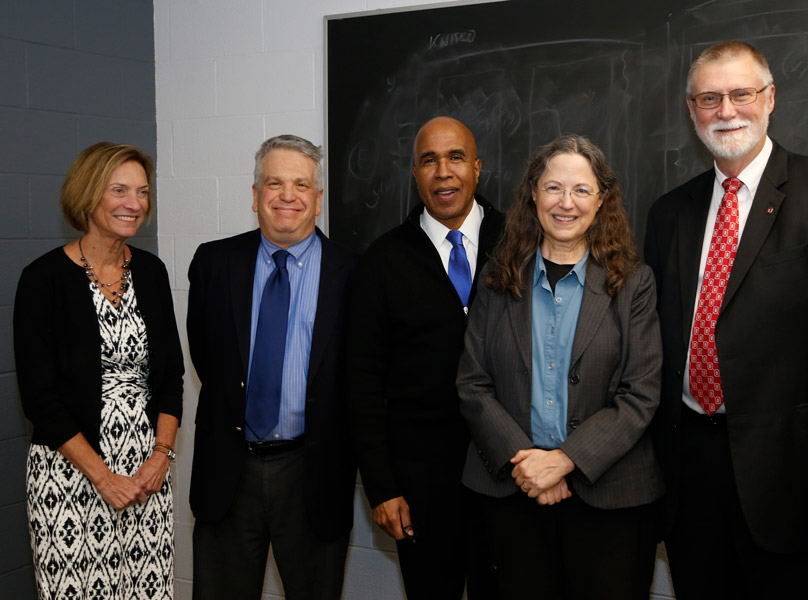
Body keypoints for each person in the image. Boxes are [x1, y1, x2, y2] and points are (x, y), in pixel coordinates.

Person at [644, 40, 808, 599]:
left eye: (740, 94)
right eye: (710, 98)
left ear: (770, 98)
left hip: (792, 484)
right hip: (689, 479)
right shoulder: (668, 213)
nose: (726, 111)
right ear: (691, 109)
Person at [457, 134, 663, 599]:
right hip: (513, 493)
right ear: (533, 193)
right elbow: (472, 383)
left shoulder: (634, 284)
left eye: (581, 190)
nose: (565, 203)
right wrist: (530, 464)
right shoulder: (496, 279)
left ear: (601, 199)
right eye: (553, 188)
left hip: (609, 500)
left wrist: (565, 461)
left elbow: (641, 392)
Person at [186, 134, 357, 599]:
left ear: (318, 200)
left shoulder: (355, 273)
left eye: (300, 185)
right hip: (229, 471)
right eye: (273, 183)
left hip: (313, 471)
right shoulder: (213, 263)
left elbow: (358, 378)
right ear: (255, 196)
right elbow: (207, 354)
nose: (287, 196)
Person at [14, 142, 183, 599]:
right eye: (120, 190)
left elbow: (171, 377)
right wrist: (103, 477)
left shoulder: (151, 271)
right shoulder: (42, 279)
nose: (135, 204)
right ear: (88, 196)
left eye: (143, 192)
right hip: (70, 474)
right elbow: (39, 399)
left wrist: (160, 457)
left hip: (146, 475)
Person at [347, 116, 504, 599]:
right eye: (429, 160)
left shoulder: (521, 242)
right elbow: (361, 381)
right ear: (414, 174)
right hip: (420, 485)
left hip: (509, 476)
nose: (443, 172)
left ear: (477, 168)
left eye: (455, 157)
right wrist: (382, 486)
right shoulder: (383, 260)